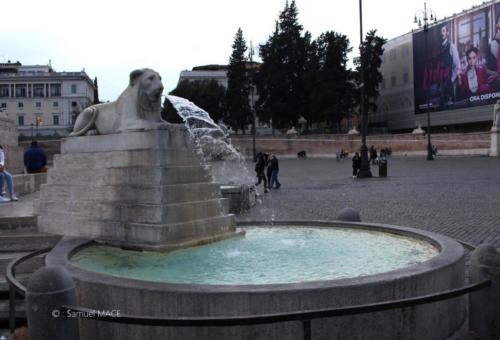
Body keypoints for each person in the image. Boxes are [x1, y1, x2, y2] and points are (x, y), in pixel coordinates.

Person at [439, 25, 461, 105]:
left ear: (447, 33)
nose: (442, 33)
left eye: (444, 31)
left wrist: (452, 78)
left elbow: (457, 65)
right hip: (442, 80)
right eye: (441, 31)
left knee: (451, 105)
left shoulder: (452, 46)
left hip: (450, 81)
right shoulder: (440, 48)